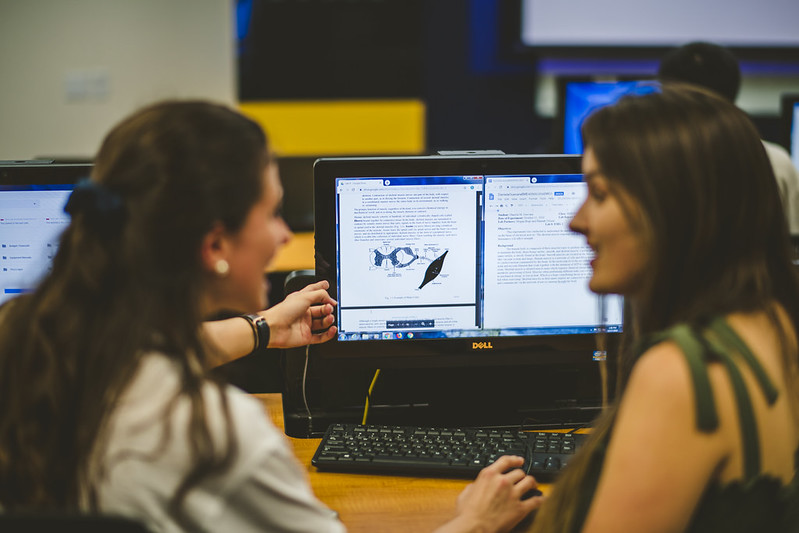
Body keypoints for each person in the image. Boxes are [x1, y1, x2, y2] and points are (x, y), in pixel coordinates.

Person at [0, 100, 540, 532]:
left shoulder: (26, 340)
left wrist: (264, 327)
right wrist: (474, 522)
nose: (284, 235)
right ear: (215, 244)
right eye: (272, 211)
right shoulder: (217, 431)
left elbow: (140, 348)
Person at [519, 85, 799, 531]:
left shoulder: (680, 373)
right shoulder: (774, 324)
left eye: (600, 193)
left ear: (672, 209)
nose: (576, 220)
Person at [657, 41, 799, 236]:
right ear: (732, 94)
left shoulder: (649, 162)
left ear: (666, 97)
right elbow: (792, 246)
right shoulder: (776, 161)